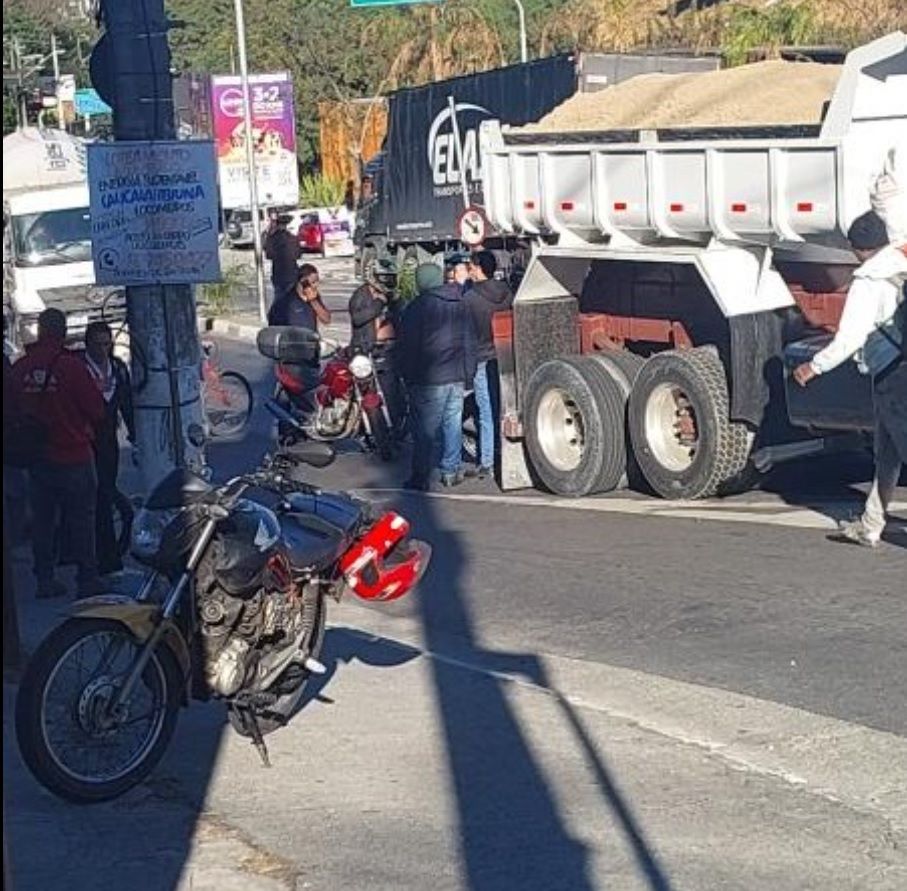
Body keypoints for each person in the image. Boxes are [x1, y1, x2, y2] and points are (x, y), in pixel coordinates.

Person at [794, 210, 906, 548]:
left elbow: (850, 338)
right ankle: (871, 523)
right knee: (886, 452)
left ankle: (873, 525)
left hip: (894, 376)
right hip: (899, 370)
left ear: (857, 249)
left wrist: (814, 366)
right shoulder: (902, 259)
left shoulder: (869, 280)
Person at [7, 309, 105, 597]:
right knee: (81, 520)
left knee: (43, 522)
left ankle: (45, 579)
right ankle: (87, 579)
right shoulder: (71, 367)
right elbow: (96, 409)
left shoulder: (21, 368)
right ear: (63, 333)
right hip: (75, 455)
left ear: (39, 331)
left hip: (38, 459)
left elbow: (11, 410)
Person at [398, 263, 477, 490]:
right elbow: (469, 341)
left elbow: (409, 346)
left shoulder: (418, 307)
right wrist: (468, 373)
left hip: (429, 376)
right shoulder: (460, 302)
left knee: (425, 429)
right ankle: (450, 470)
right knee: (452, 424)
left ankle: (420, 476)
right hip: (456, 374)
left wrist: (407, 375)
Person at [77, 322, 135, 576]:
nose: (103, 349)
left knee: (106, 496)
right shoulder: (79, 369)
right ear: (87, 344)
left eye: (107, 343)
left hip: (108, 443)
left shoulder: (118, 369)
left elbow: (127, 405)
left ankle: (106, 555)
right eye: (98, 344)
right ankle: (105, 559)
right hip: (83, 443)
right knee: (97, 501)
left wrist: (136, 437)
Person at [464, 250, 513, 479]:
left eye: (471, 267)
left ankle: (488, 461)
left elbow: (466, 335)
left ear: (479, 268)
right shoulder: (507, 293)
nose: (469, 271)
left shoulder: (471, 299)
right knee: (507, 407)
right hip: (506, 356)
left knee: (487, 412)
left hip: (482, 358)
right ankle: (509, 455)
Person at [268, 264, 332, 417]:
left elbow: (326, 319)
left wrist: (313, 301)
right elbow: (274, 325)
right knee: (293, 396)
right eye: (313, 282)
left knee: (314, 393)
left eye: (317, 282)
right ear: (303, 282)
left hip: (311, 356)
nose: (316, 285)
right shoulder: (286, 302)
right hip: (292, 359)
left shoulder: (315, 298)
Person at [263, 212, 301, 301]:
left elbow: (268, 255)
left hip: (278, 273)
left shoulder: (272, 239)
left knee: (279, 299)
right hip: (292, 272)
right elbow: (298, 254)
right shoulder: (293, 238)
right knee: (292, 299)